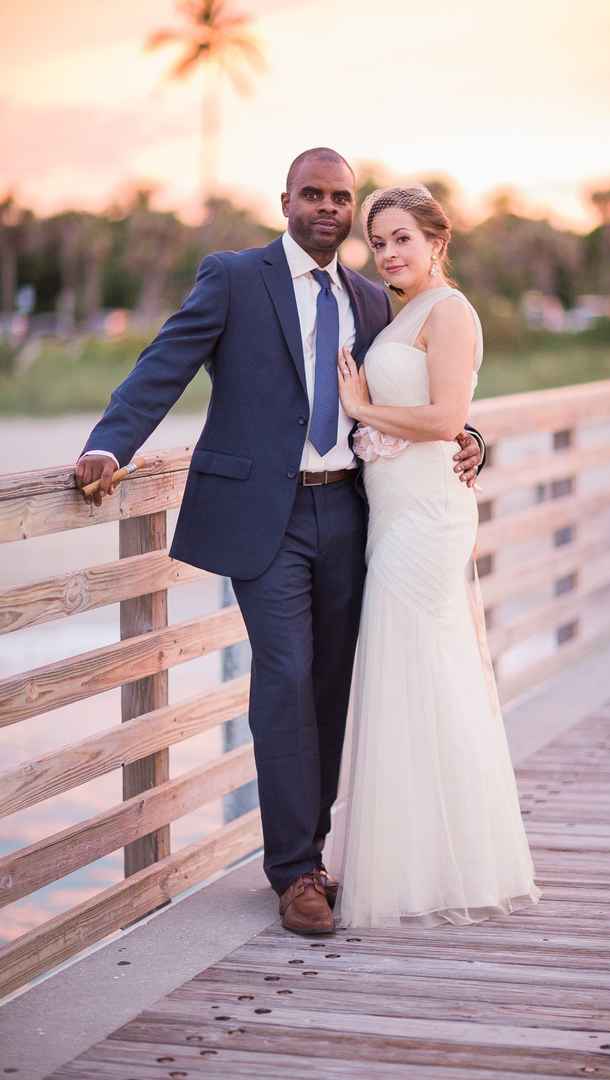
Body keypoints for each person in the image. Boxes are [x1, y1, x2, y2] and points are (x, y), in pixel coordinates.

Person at [74, 149, 485, 936]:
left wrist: (469, 434)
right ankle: (293, 871)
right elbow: (163, 366)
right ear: (286, 201)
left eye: (341, 197)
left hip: (357, 515)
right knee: (286, 678)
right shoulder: (234, 276)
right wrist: (110, 445)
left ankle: (317, 853)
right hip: (269, 517)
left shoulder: (374, 298)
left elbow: (423, 389)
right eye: (313, 195)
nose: (328, 207)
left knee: (331, 684)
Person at [326, 185, 543, 928]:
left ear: (436, 241)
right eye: (377, 242)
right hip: (392, 509)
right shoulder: (399, 310)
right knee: (406, 673)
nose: (387, 253)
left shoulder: (450, 311)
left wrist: (360, 409)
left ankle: (440, 864)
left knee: (420, 664)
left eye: (401, 240)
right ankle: (414, 856)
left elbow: (448, 416)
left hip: (427, 515)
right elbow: (441, 409)